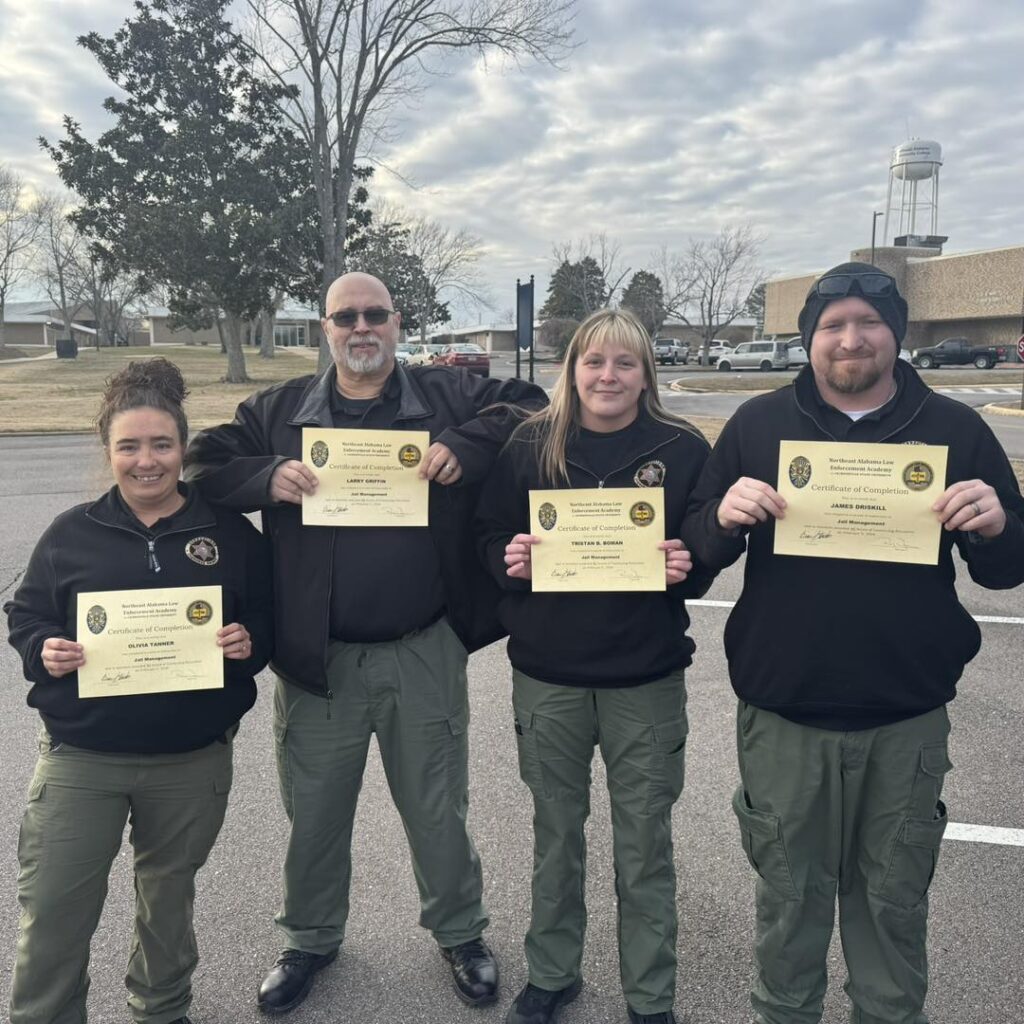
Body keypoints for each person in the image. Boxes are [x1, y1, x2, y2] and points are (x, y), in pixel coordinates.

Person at [183, 271, 547, 1014]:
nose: (361, 328)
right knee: (315, 812)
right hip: (319, 658)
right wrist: (267, 475)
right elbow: (201, 462)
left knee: (437, 806)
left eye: (374, 315)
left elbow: (538, 408)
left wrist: (468, 443)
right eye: (345, 316)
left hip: (423, 646)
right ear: (324, 328)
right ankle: (310, 938)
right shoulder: (279, 412)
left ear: (396, 323)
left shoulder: (444, 398)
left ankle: (460, 931)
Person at [682, 262, 1024, 1024]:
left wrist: (998, 522)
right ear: (808, 338)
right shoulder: (758, 426)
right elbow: (695, 554)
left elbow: (1006, 571)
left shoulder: (955, 430)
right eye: (833, 324)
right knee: (787, 911)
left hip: (903, 717)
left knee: (894, 910)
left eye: (869, 323)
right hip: (785, 715)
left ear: (896, 335)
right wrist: (721, 516)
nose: (851, 338)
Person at [4, 358, 273, 1024]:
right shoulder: (72, 534)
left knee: (167, 900)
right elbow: (29, 614)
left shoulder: (230, 535)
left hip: (190, 760)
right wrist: (47, 649)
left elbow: (267, 619)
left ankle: (161, 1009)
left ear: (183, 449)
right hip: (81, 760)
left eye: (161, 444)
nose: (146, 461)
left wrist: (247, 644)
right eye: (129, 446)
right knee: (56, 908)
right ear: (109, 451)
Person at [475, 309, 715, 1024]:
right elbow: (488, 535)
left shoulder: (681, 447)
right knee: (557, 836)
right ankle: (553, 974)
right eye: (594, 362)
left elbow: (700, 545)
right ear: (571, 368)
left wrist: (688, 562)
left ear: (646, 373)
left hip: (645, 678)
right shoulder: (529, 444)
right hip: (549, 675)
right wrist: (507, 560)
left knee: (645, 847)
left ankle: (650, 996)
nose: (608, 377)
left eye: (625, 363)